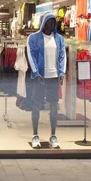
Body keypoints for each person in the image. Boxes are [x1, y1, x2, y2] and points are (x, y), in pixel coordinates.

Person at [25, 13, 66, 149]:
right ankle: (35, 135)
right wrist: (36, 73)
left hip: (53, 77)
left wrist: (62, 72)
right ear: (43, 23)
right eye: (49, 21)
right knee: (36, 105)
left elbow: (62, 56)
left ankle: (53, 135)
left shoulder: (59, 39)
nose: (52, 24)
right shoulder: (33, 38)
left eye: (53, 22)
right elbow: (31, 55)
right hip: (40, 78)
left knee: (54, 106)